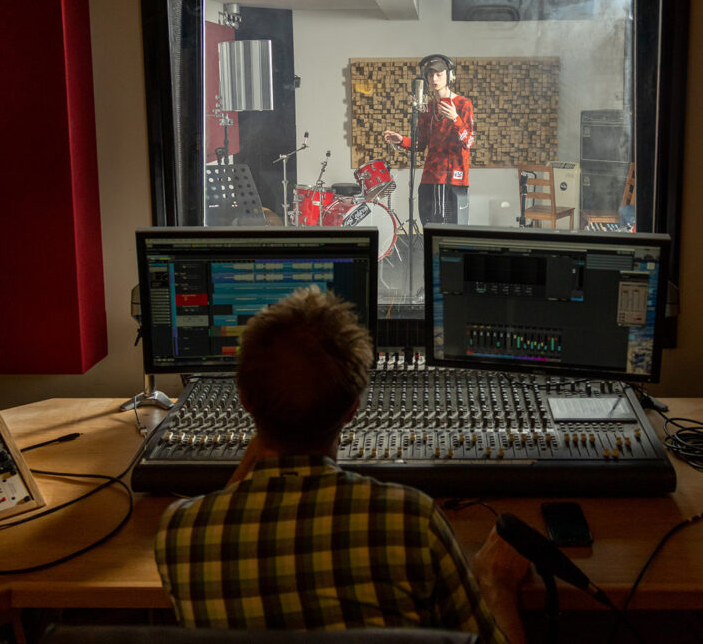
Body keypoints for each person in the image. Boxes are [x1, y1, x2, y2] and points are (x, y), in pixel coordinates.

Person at [154, 286, 529, 643]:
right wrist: (497, 582)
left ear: (244, 399)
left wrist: (266, 433)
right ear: (353, 409)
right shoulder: (411, 520)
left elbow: (224, 509)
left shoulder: (180, 532)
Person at [383, 54, 475, 226]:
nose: (434, 78)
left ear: (449, 76)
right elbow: (420, 144)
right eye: (430, 75)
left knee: (453, 234)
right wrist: (400, 139)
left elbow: (468, 142)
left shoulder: (464, 104)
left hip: (454, 181)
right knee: (430, 231)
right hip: (429, 179)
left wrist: (455, 118)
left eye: (439, 74)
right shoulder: (427, 108)